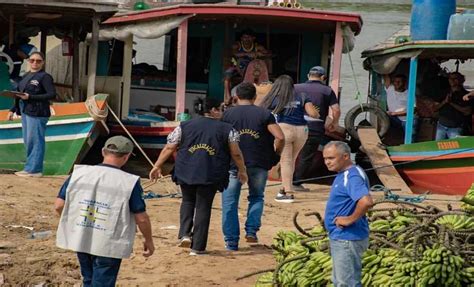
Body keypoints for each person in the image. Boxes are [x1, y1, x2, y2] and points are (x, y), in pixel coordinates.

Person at [149, 98, 248, 255]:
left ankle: (185, 234)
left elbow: (170, 147)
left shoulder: (184, 126)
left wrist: (157, 165)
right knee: (203, 206)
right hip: (211, 172)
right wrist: (242, 170)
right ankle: (197, 247)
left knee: (187, 201)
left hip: (186, 170)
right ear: (214, 110)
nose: (222, 112)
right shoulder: (228, 129)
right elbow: (235, 152)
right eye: (221, 109)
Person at [54, 136, 154, 287]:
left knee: (88, 279)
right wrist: (148, 240)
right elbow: (141, 218)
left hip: (82, 236)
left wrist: (74, 224)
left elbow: (59, 205)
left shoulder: (79, 173)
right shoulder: (129, 181)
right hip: (108, 242)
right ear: (126, 157)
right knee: (103, 281)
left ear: (103, 152)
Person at [221, 82, 285, 250]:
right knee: (256, 196)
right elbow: (280, 137)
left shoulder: (227, 115)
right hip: (259, 162)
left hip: (233, 164)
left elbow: (221, 138)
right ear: (255, 97)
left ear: (236, 97)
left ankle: (231, 241)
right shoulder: (265, 114)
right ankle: (251, 232)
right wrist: (276, 155)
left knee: (229, 202)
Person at [260, 74, 319, 201]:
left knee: (285, 161)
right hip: (302, 130)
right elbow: (313, 114)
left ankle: (287, 192)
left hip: (284, 129)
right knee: (292, 160)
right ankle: (284, 188)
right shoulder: (303, 96)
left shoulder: (275, 98)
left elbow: (262, 112)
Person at [323, 141, 373, 287]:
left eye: (331, 158)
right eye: (325, 158)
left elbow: (366, 201)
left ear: (345, 156)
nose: (327, 162)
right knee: (341, 281)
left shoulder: (352, 176)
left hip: (347, 238)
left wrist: (349, 219)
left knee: (346, 283)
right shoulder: (344, 174)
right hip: (341, 237)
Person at [6, 51, 56, 177]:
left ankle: (35, 170)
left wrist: (31, 97)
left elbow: (51, 94)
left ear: (43, 63)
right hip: (25, 110)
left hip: (38, 112)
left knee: (36, 140)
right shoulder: (26, 75)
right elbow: (19, 93)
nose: (35, 63)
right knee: (28, 140)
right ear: (28, 61)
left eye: (38, 61)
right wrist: (12, 109)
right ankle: (29, 168)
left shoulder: (45, 77)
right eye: (32, 60)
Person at [293, 66, 340, 189]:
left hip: (294, 127)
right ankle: (296, 183)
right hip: (314, 129)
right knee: (306, 157)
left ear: (308, 75)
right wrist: (334, 123)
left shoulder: (296, 88)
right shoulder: (327, 91)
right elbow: (336, 110)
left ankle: (286, 182)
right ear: (323, 77)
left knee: (290, 155)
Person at [435, 72, 472, 140]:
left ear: (461, 80)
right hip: (441, 126)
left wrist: (451, 103)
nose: (452, 80)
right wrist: (444, 102)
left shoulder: (466, 95)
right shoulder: (444, 92)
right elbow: (434, 108)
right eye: (450, 78)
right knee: (438, 148)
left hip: (456, 128)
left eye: (455, 78)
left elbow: (467, 111)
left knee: (455, 149)